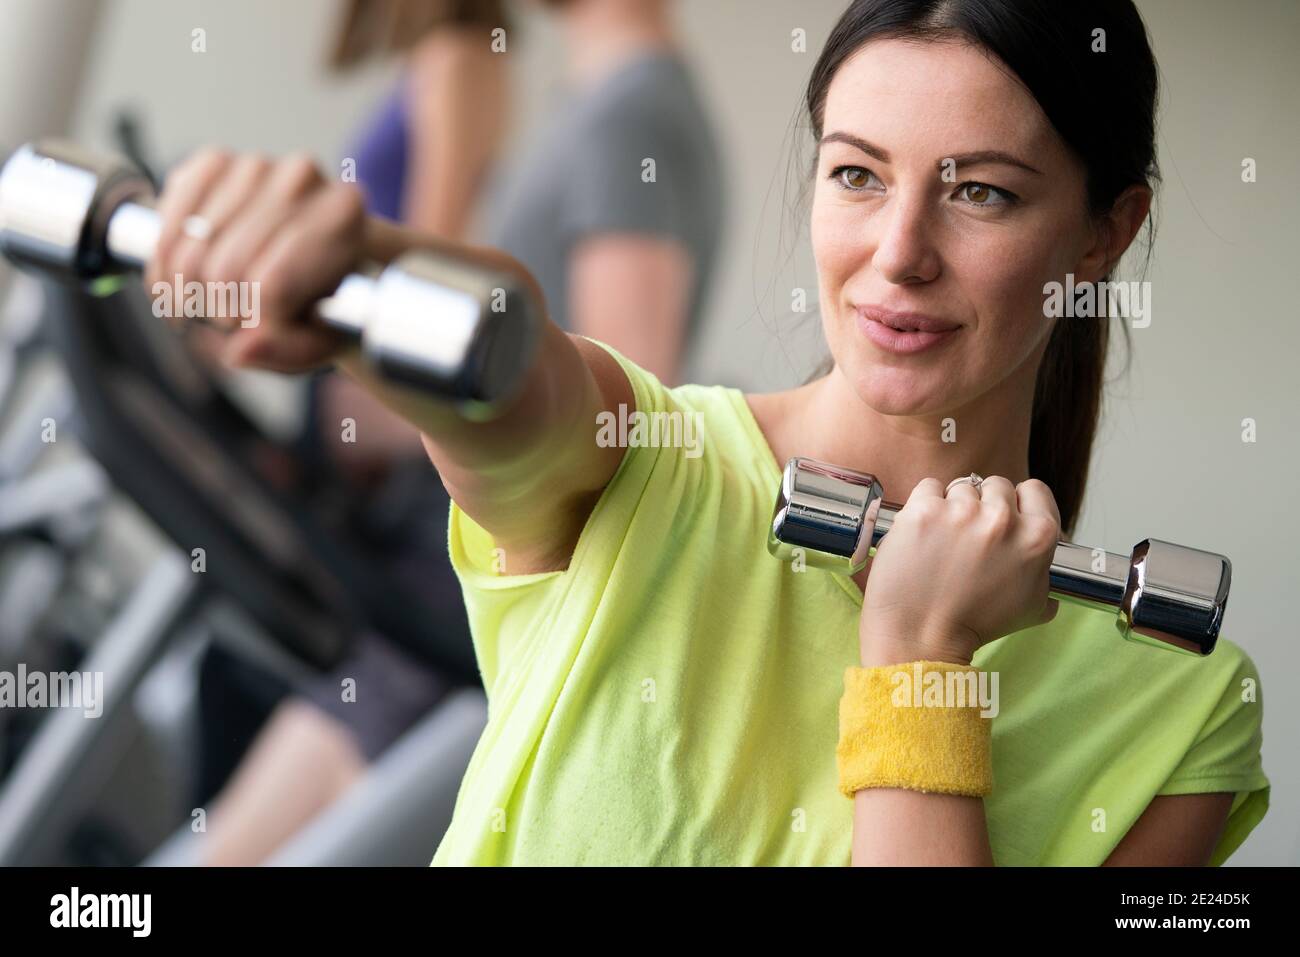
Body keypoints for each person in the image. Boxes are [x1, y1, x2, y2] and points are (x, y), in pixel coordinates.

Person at [146, 0, 1268, 866]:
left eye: (979, 193)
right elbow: (509, 354)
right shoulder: (641, 462)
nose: (898, 251)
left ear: (1102, 236)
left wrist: (920, 665)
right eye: (856, 176)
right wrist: (361, 266)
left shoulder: (1183, 715)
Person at [188, 0, 725, 865]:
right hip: (444, 559)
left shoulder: (635, 117)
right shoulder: (604, 105)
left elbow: (617, 426)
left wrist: (359, 412)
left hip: (461, 596)